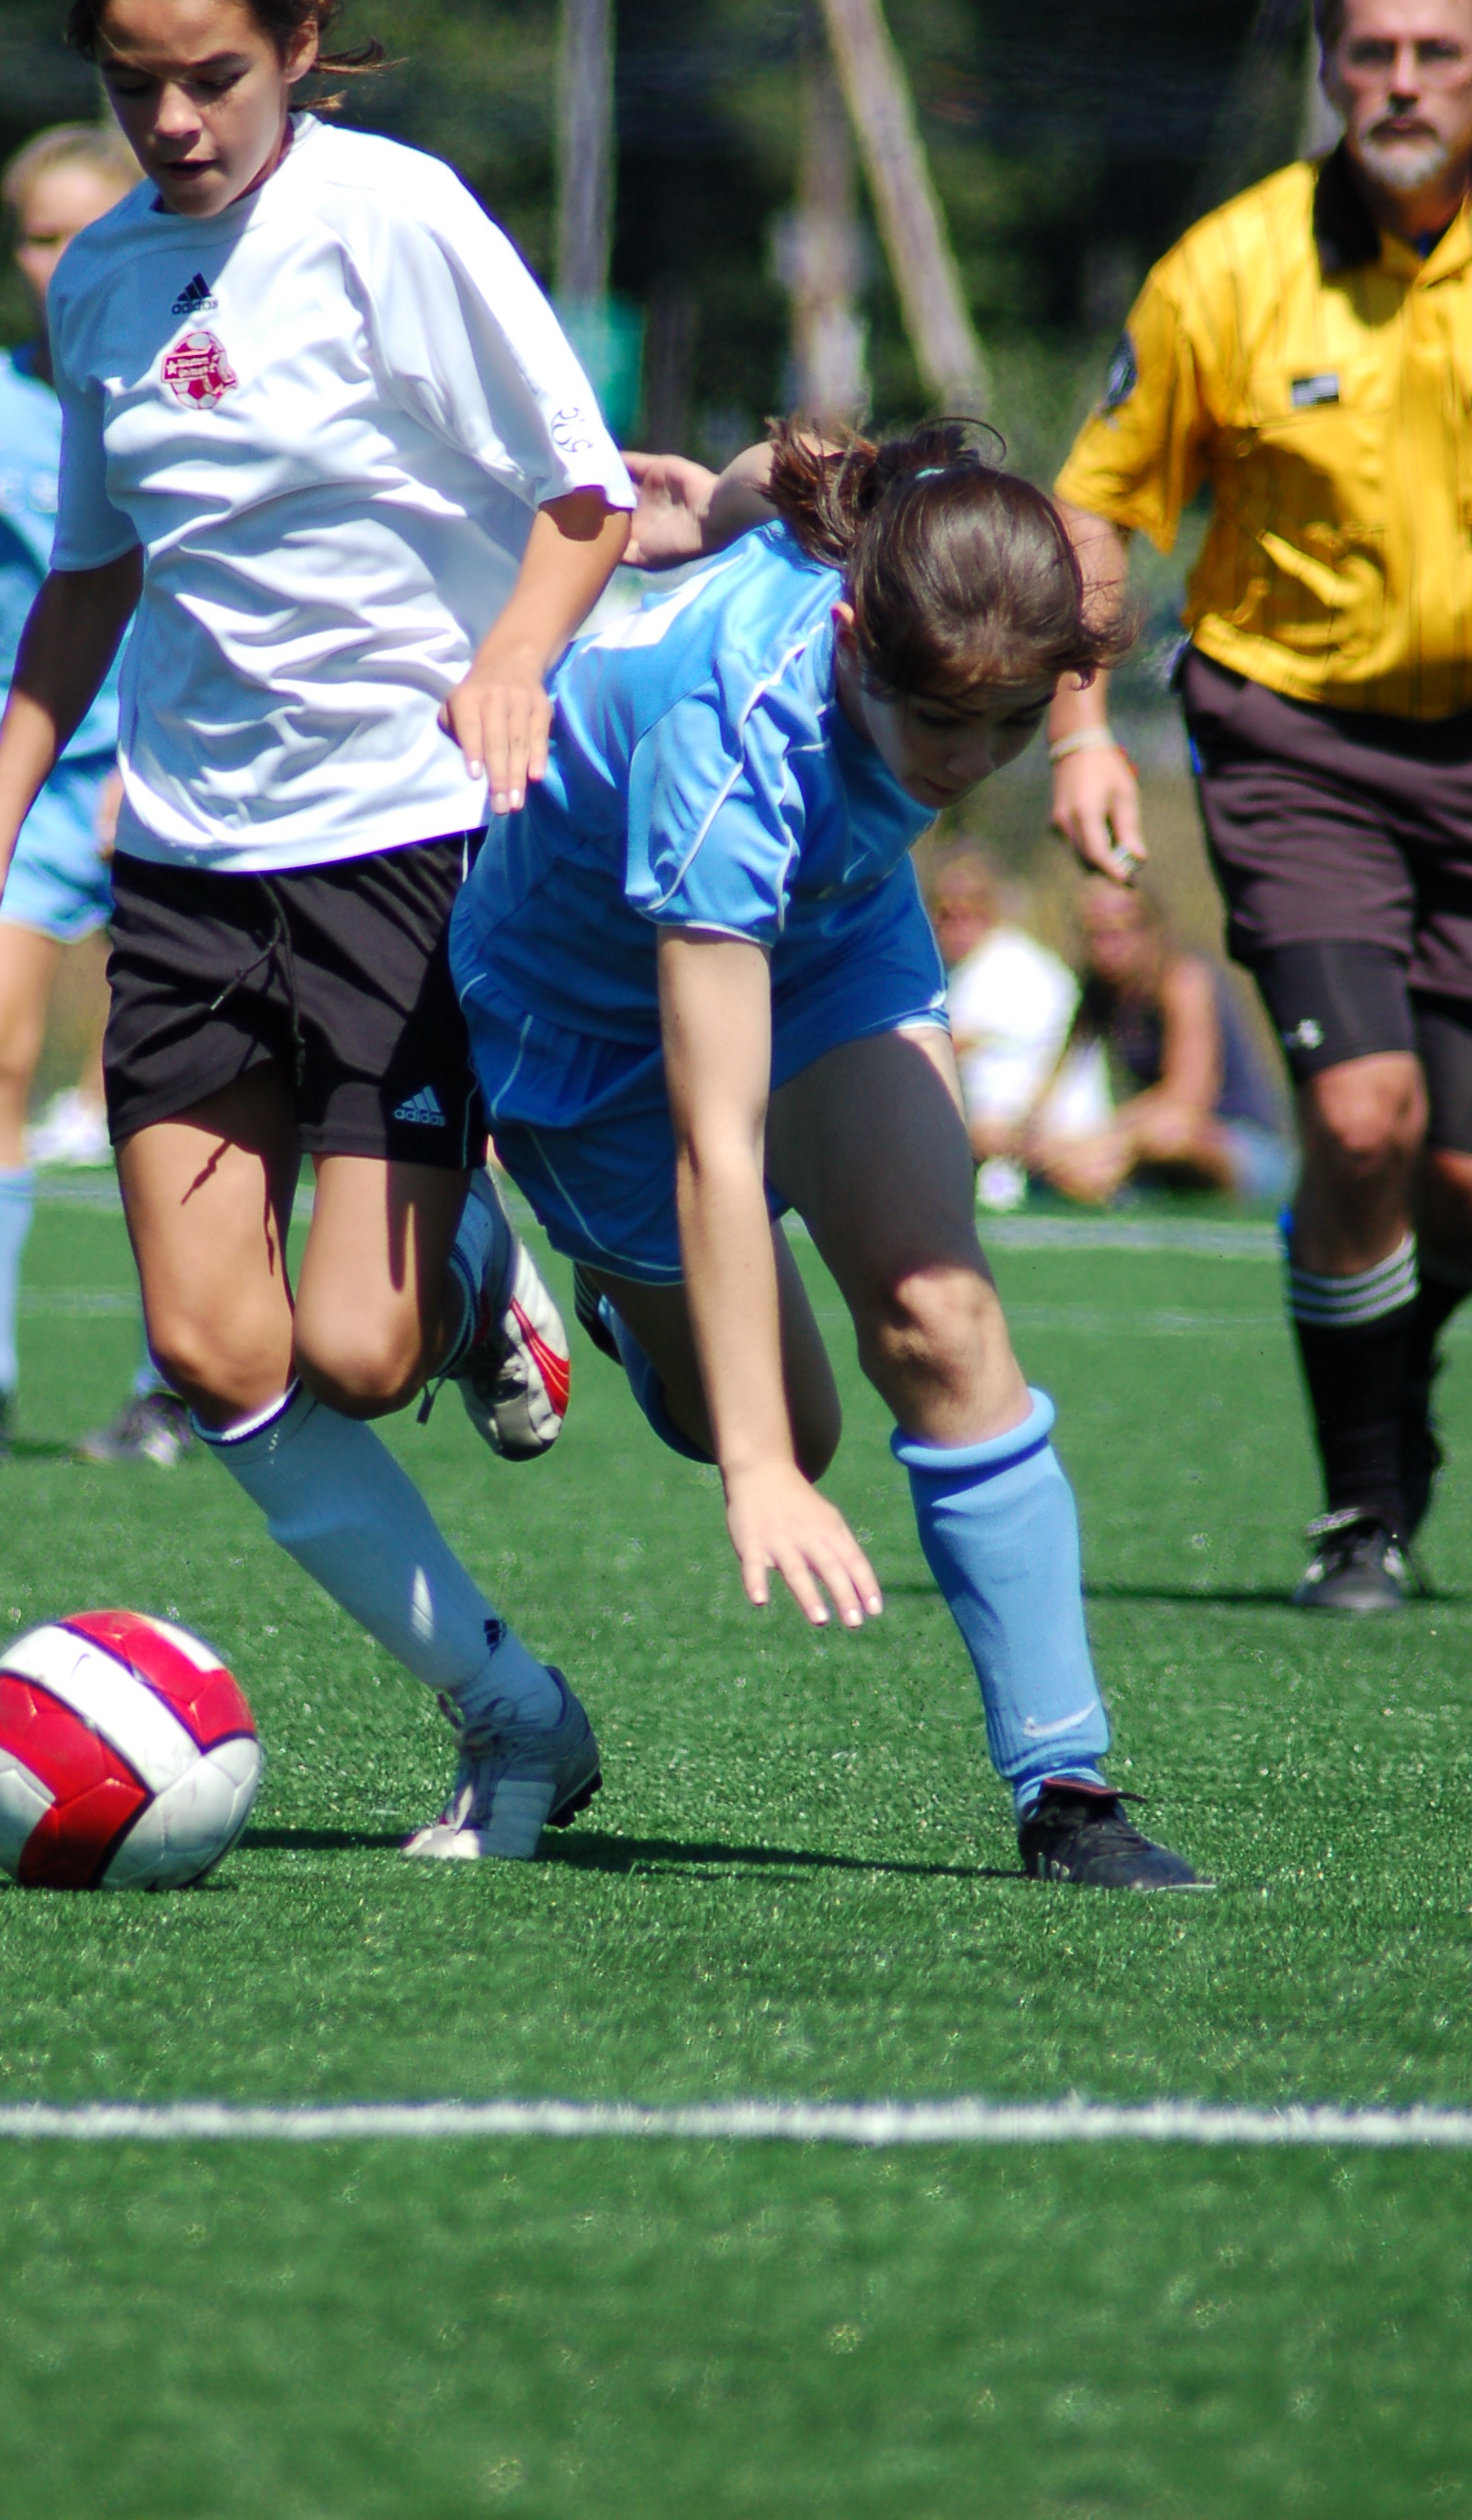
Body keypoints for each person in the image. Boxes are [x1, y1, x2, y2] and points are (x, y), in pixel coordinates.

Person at [0, 0, 636, 1857]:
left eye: (213, 77)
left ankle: (470, 1273)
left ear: (298, 46)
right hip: (189, 860)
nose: (173, 121)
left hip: (402, 839)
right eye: (134, 86)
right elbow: (85, 576)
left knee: (361, 1352)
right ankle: (511, 1714)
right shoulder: (99, 281)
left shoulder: (393, 218)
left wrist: (507, 659)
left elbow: (581, 493)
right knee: (217, 1350)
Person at [455, 420, 1206, 1889]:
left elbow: (815, 459)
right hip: (582, 1013)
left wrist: (719, 501)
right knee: (785, 1433)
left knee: (939, 1310)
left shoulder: (940, 548)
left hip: (825, 932)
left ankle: (1068, 1790)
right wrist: (755, 1469)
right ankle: (550, 1284)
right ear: (858, 634)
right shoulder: (737, 737)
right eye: (940, 725)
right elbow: (716, 1141)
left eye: (1011, 724)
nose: (967, 765)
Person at [1047, 0, 1472, 1613]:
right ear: (1332, 70)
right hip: (1299, 745)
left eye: (1437, 52)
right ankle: (1363, 1507)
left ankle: (1386, 1366)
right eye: (1371, 53)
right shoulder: (1232, 267)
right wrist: (1079, 732)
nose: (1402, 82)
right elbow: (1099, 507)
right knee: (1358, 1121)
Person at [0, 124, 193, 1468]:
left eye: (84, 233)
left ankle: (175, 1378)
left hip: (179, 779)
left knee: (173, 1079)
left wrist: (153, 758)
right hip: (17, 782)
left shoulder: (187, 385)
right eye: (37, 236)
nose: (59, 261)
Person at [1024, 878, 1293, 1208]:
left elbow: (1185, 1100)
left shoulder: (1184, 981)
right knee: (1080, 1168)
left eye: (1118, 931)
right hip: (1142, 1143)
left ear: (1151, 932)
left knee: (1169, 1136)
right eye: (1093, 933)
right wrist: (1032, 1137)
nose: (1105, 946)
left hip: (1237, 1143)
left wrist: (1097, 1140)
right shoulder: (1098, 992)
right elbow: (1050, 1083)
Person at [927, 847, 1079, 1208]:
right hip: (1010, 1124)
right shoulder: (964, 970)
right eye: (946, 914)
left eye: (970, 912)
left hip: (1043, 1128)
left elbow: (941, 1048)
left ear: (993, 910)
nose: (957, 926)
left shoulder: (1004, 965)